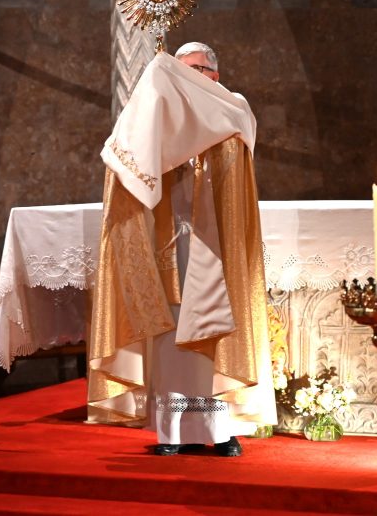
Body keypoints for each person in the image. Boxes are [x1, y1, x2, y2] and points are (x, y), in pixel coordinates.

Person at [87, 42, 276, 458]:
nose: (186, 78)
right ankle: (172, 432)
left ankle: (222, 430)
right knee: (173, 341)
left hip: (216, 246)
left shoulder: (232, 107)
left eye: (195, 70)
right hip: (171, 244)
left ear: (214, 76)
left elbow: (229, 151)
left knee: (216, 338)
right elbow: (130, 152)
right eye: (179, 70)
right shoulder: (162, 118)